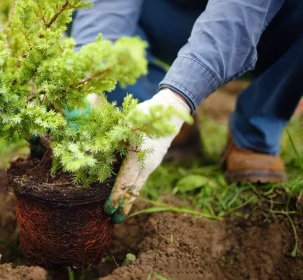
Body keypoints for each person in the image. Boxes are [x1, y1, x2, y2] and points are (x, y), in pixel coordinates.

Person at [71, 0, 303, 223]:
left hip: (266, 25)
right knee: (72, 9)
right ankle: (154, 112)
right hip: (174, 15)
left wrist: (177, 99)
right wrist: (86, 78)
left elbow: (240, 9)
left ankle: (255, 130)